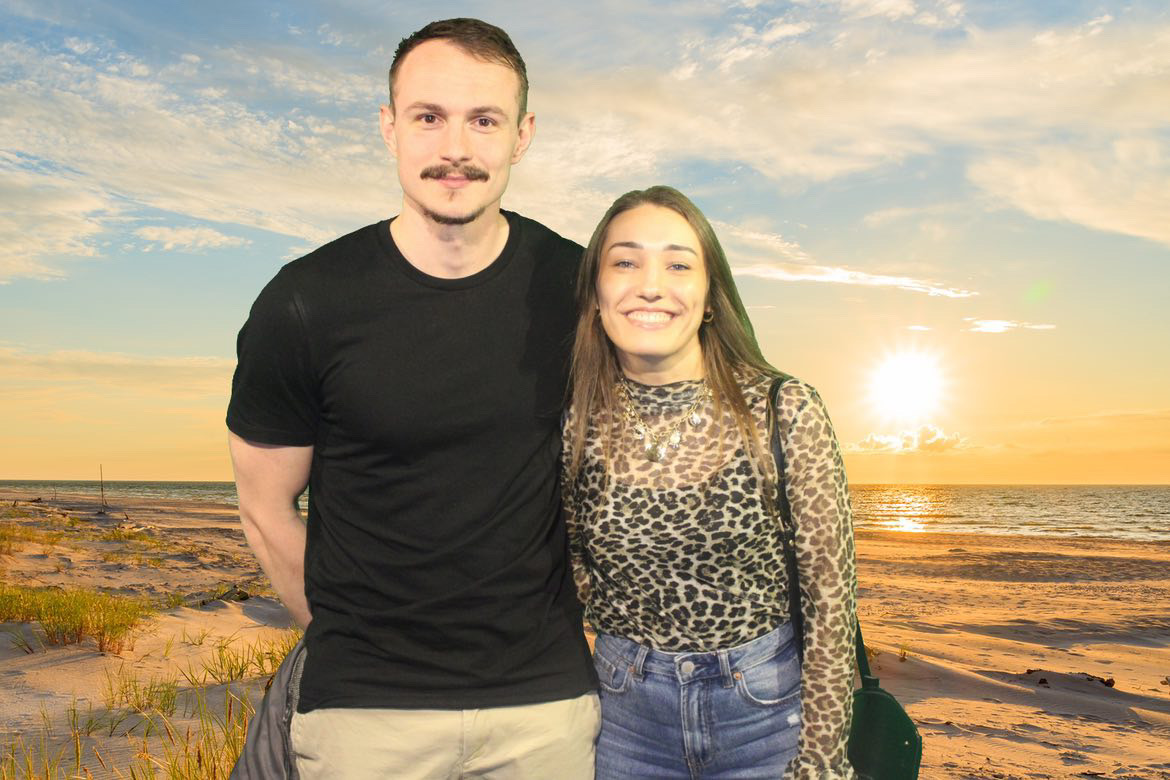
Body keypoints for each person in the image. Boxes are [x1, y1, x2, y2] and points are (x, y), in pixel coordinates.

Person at [226, 18, 598, 779]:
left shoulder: (578, 289)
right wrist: (349, 642)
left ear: (522, 136)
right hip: (364, 718)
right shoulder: (304, 301)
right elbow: (265, 507)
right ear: (390, 127)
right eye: (429, 117)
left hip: (546, 712)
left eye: (483, 120)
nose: (455, 148)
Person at [561, 186, 858, 779]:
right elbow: (571, 565)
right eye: (625, 262)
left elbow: (830, 601)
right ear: (595, 295)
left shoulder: (783, 409)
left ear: (710, 296)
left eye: (678, 265)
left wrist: (823, 759)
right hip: (626, 719)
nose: (651, 285)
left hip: (767, 717)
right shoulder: (576, 419)